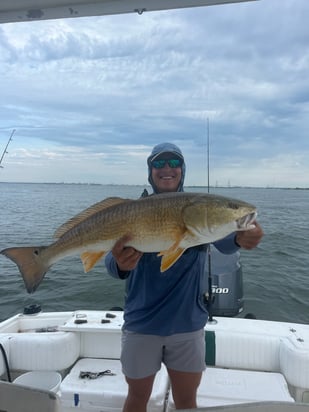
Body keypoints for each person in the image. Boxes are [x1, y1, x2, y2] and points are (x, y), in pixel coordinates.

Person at [105, 142, 263, 412]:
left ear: (183, 170)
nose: (167, 169)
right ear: (150, 171)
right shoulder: (132, 211)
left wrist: (244, 236)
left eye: (174, 163)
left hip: (188, 324)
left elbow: (229, 242)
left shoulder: (199, 215)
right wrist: (120, 263)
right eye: (159, 164)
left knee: (187, 401)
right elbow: (110, 262)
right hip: (142, 324)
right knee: (136, 397)